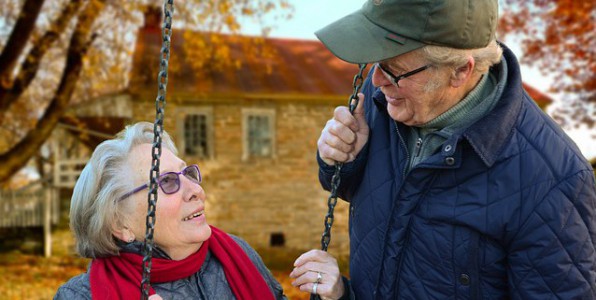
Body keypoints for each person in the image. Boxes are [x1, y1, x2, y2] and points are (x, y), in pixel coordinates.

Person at [300, 0, 596, 299]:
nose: (377, 81)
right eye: (377, 63)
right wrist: (342, 160)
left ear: (459, 72)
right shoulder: (385, 97)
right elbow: (366, 194)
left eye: (394, 71)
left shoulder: (555, 181)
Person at [54, 122, 286, 300]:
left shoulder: (238, 254)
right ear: (120, 224)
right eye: (166, 182)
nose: (195, 189)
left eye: (187, 174)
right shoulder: (80, 296)